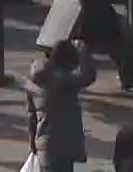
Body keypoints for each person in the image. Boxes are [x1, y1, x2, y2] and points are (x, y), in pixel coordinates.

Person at [26, 39, 97, 172]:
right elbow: (88, 77)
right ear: (67, 62)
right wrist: (82, 51)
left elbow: (31, 117)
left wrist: (33, 145)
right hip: (63, 148)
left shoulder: (33, 82)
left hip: (44, 145)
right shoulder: (63, 81)